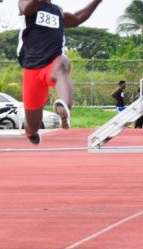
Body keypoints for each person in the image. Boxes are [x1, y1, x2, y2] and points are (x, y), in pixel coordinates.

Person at [18, 0, 104, 144]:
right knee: (33, 126)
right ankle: (30, 131)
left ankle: (65, 108)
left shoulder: (57, 11)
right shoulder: (27, 4)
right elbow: (26, 9)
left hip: (52, 64)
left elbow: (77, 18)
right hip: (32, 70)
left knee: (63, 64)